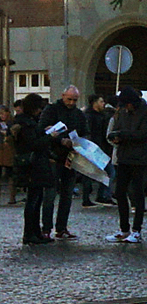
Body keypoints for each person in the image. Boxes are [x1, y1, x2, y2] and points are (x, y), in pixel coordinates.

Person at [104, 89, 147, 244]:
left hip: (140, 158)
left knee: (138, 193)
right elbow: (117, 129)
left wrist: (123, 135)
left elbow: (144, 135)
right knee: (120, 192)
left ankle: (137, 230)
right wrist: (115, 137)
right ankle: (124, 228)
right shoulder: (123, 112)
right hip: (124, 157)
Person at [9, 94, 60, 246]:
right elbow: (34, 144)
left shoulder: (26, 122)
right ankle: (30, 233)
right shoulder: (26, 123)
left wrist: (44, 132)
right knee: (33, 201)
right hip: (31, 166)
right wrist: (49, 136)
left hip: (32, 165)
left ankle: (35, 232)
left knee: (36, 199)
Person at [46, 85, 89, 238]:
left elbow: (85, 132)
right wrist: (59, 139)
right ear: (63, 95)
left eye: (74, 100)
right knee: (50, 195)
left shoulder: (78, 114)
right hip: (53, 156)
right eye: (69, 99)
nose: (71, 102)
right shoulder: (51, 110)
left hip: (71, 158)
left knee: (67, 195)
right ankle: (46, 228)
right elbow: (43, 130)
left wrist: (78, 143)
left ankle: (61, 228)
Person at [84, 95, 112, 205]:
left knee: (103, 172)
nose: (103, 103)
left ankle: (98, 196)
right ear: (94, 103)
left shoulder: (100, 115)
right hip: (93, 148)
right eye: (101, 101)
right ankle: (97, 196)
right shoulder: (90, 117)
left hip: (99, 148)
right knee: (106, 172)